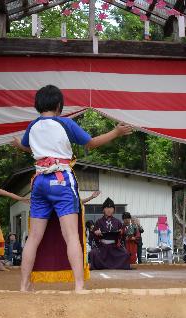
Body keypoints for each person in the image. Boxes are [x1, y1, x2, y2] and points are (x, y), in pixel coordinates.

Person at [11, 85, 132, 291]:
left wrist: (17, 144)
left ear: (37, 105)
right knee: (71, 236)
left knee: (33, 237)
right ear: (59, 105)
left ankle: (24, 285)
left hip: (39, 181)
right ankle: (78, 286)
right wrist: (116, 132)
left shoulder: (32, 126)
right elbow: (91, 143)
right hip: (61, 179)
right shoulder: (64, 122)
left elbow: (28, 147)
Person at [90, 198, 131, 270]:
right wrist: (96, 233)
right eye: (106, 208)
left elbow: (123, 236)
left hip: (114, 247)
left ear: (114, 210)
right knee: (93, 253)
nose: (109, 210)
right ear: (103, 210)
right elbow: (92, 235)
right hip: (102, 247)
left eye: (111, 208)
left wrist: (121, 233)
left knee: (125, 254)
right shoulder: (98, 222)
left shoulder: (118, 222)